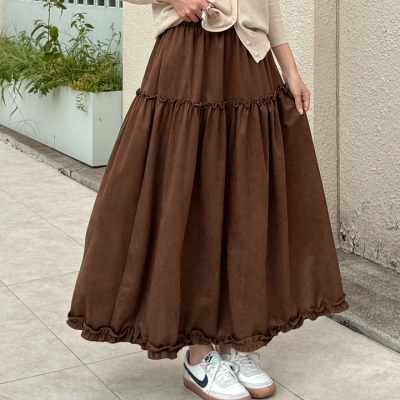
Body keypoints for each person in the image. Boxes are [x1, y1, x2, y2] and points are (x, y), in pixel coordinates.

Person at [66, 1, 349, 399]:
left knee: (246, 202)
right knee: (195, 200)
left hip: (250, 66)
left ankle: (236, 340)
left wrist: (291, 70)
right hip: (189, 64)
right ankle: (200, 354)